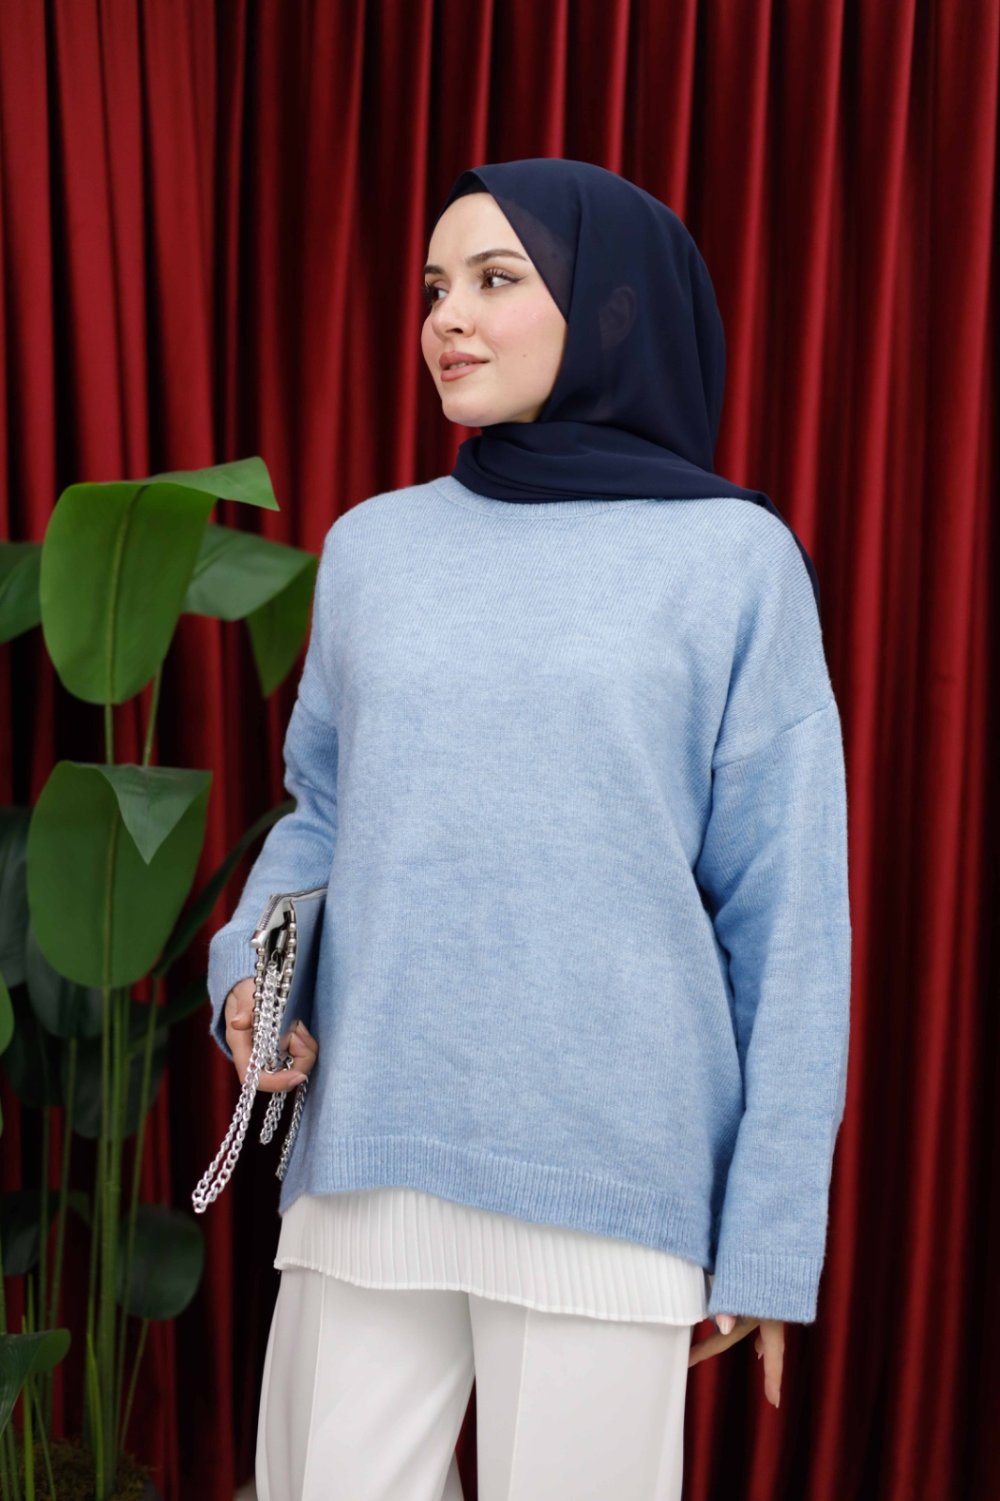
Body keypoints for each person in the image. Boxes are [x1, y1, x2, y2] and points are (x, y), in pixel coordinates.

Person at [207, 158, 851, 1501]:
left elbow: (790, 920)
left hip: (614, 1173)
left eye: (496, 280)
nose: (447, 316)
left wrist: (770, 1237)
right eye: (435, 285)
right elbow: (323, 816)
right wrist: (246, 987)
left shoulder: (734, 560)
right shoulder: (376, 547)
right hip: (370, 1146)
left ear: (608, 309)